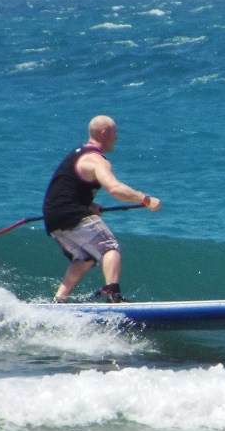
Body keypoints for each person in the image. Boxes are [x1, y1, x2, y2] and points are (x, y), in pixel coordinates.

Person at [42, 115, 161, 302]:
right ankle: (113, 295)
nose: (116, 138)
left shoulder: (76, 154)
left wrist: (88, 205)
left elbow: (65, 188)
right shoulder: (96, 160)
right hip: (71, 213)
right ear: (105, 133)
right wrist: (145, 199)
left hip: (52, 216)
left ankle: (59, 299)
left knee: (85, 257)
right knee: (109, 247)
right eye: (115, 133)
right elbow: (114, 188)